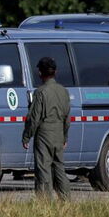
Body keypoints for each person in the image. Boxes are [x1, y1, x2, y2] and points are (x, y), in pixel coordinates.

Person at [22, 56, 71, 200]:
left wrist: (26, 136)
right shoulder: (64, 91)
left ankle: (45, 201)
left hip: (44, 133)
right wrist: (64, 136)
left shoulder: (40, 92)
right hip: (58, 132)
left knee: (43, 168)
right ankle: (66, 199)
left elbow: (34, 117)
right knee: (59, 168)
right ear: (55, 72)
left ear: (40, 73)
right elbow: (67, 117)